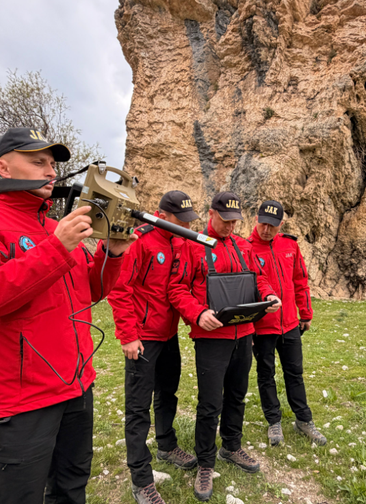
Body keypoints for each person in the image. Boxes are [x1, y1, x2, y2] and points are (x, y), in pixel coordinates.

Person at [0, 127, 133, 504]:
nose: (49, 171)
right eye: (37, 162)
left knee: (71, 487)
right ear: (2, 167)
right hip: (21, 399)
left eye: (51, 164)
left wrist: (112, 253)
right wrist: (56, 247)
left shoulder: (54, 227)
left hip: (77, 385)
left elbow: (89, 292)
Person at [168, 191, 281, 501]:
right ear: (211, 214)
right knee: (209, 404)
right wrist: (197, 313)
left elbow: (259, 279)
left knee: (237, 395)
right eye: (225, 220)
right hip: (211, 339)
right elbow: (176, 289)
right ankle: (205, 462)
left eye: (235, 222)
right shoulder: (193, 245)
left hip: (244, 334)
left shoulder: (243, 246)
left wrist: (269, 295)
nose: (230, 227)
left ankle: (231, 446)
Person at [107, 191, 201, 504]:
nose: (186, 226)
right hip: (142, 338)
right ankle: (141, 479)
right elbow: (119, 288)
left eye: (188, 220)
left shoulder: (181, 242)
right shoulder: (141, 240)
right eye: (180, 220)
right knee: (138, 409)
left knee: (167, 393)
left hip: (168, 335)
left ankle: (166, 445)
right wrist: (128, 336)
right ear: (162, 215)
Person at [247, 200, 326, 447]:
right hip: (262, 327)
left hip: (290, 323)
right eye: (263, 223)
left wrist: (306, 314)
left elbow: (300, 280)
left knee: (295, 373)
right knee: (266, 374)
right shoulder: (247, 249)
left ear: (280, 224)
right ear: (256, 219)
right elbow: (249, 287)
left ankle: (304, 420)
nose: (266, 230)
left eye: (272, 225)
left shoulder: (290, 245)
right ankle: (274, 421)